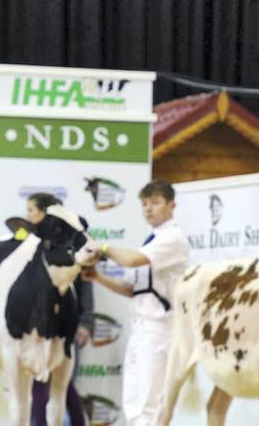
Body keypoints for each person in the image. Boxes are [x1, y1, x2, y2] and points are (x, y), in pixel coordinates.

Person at [83, 179, 189, 426]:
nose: (148, 209)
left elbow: (131, 261)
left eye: (155, 203)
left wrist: (103, 246)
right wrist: (98, 276)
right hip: (141, 328)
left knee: (148, 406)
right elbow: (133, 290)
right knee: (133, 403)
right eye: (144, 204)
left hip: (161, 330)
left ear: (171, 205)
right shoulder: (150, 240)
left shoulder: (173, 238)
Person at [25, 193, 93, 426]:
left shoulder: (75, 239)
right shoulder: (33, 246)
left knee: (61, 380)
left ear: (46, 213)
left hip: (65, 322)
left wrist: (85, 321)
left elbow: (85, 283)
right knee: (43, 379)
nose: (29, 216)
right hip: (37, 323)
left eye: (32, 211)